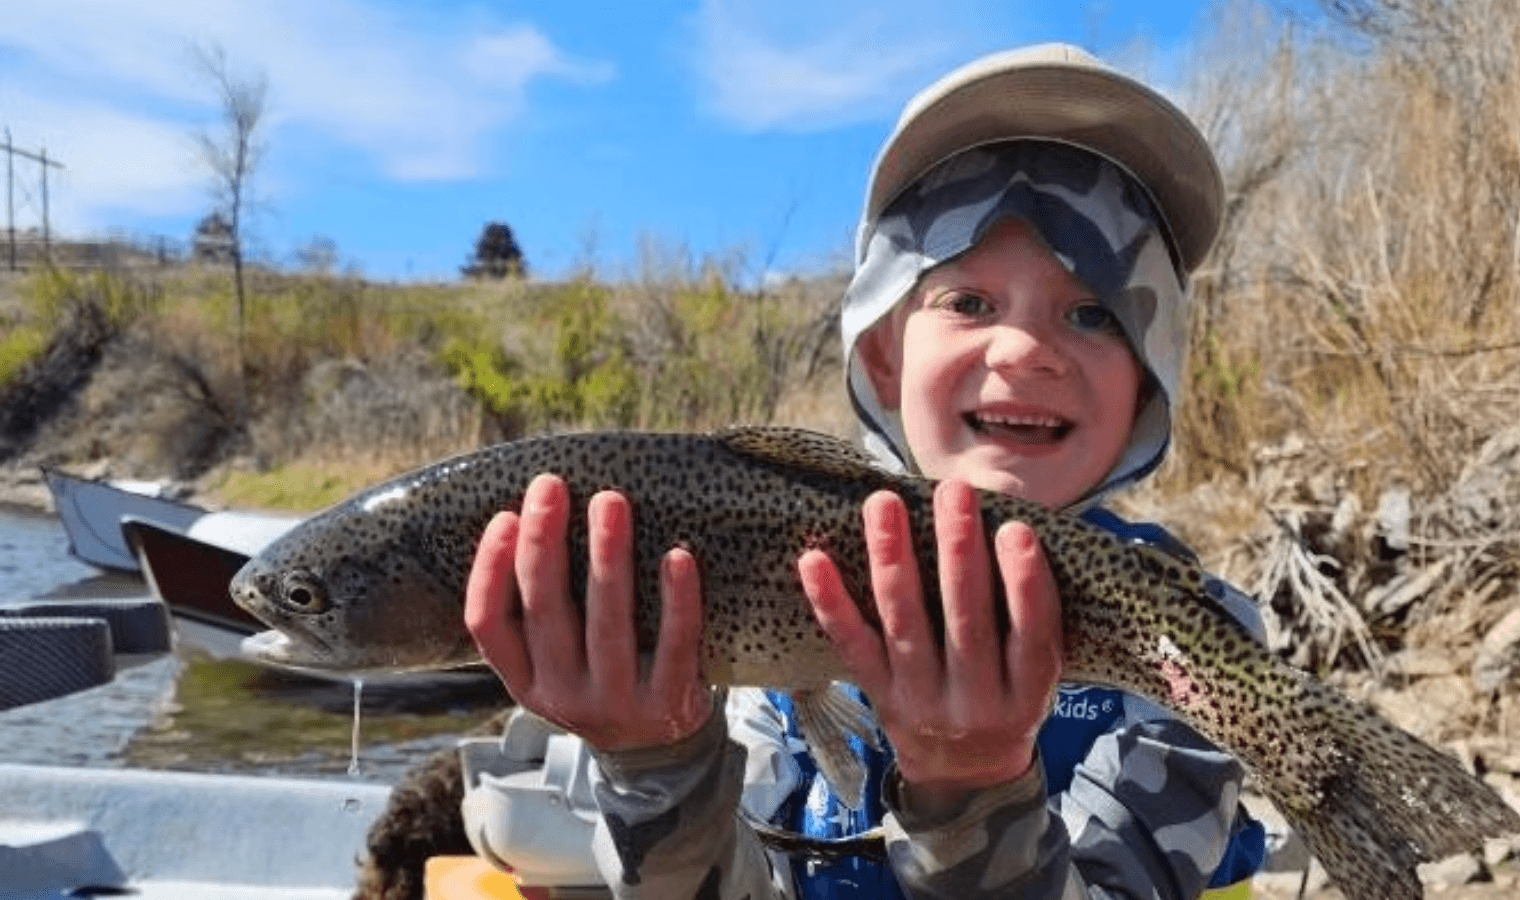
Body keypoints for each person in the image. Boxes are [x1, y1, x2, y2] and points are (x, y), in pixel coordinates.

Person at [461, 42, 1269, 900]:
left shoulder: (1189, 634)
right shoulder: (771, 608)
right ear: (882, 360)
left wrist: (977, 790)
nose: (1026, 349)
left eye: (1093, 312)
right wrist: (658, 763)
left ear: (1148, 383)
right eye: (967, 302)